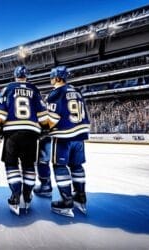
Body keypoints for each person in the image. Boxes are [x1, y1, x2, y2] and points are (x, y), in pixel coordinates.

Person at [0, 66, 48, 215]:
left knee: (11, 164)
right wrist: (45, 127)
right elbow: (43, 114)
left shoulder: (7, 89)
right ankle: (27, 196)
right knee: (29, 164)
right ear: (26, 76)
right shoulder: (34, 90)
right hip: (31, 132)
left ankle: (16, 195)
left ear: (15, 76)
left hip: (12, 133)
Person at [46, 66, 90, 217]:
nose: (51, 79)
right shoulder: (77, 92)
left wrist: (43, 129)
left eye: (52, 77)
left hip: (63, 135)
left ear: (57, 78)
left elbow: (52, 119)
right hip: (79, 135)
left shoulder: (56, 92)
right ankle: (81, 196)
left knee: (59, 165)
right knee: (77, 166)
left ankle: (67, 201)